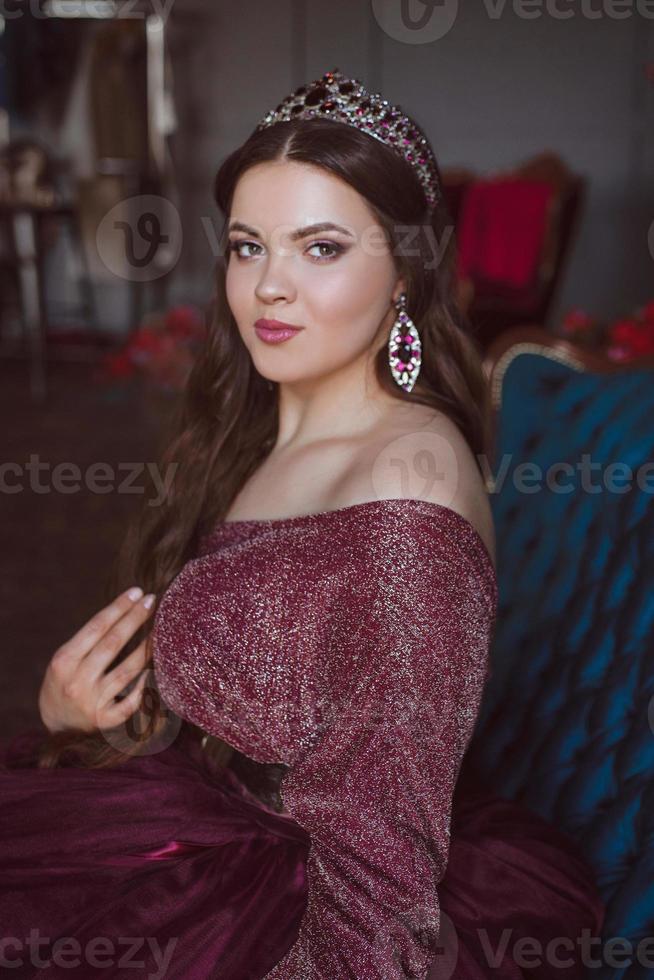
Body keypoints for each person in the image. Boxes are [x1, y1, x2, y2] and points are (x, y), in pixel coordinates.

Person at [0, 68, 604, 979]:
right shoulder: (259, 426)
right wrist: (82, 719)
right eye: (249, 247)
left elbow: (380, 877)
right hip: (202, 824)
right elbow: (280, 692)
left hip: (304, 909)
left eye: (320, 249)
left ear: (405, 268)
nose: (268, 288)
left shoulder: (407, 493)